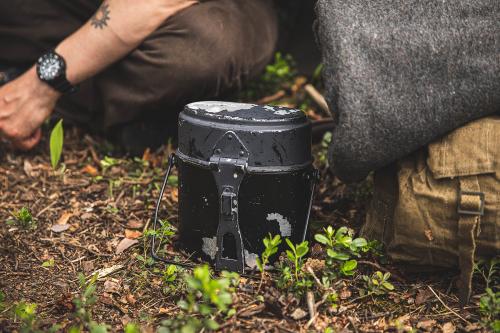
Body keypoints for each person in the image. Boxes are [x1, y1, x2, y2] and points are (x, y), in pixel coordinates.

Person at [0, 0, 278, 154]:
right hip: (79, 12)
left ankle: (29, 84)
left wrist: (41, 86)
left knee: (207, 46)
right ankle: (143, 109)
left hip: (194, 11)